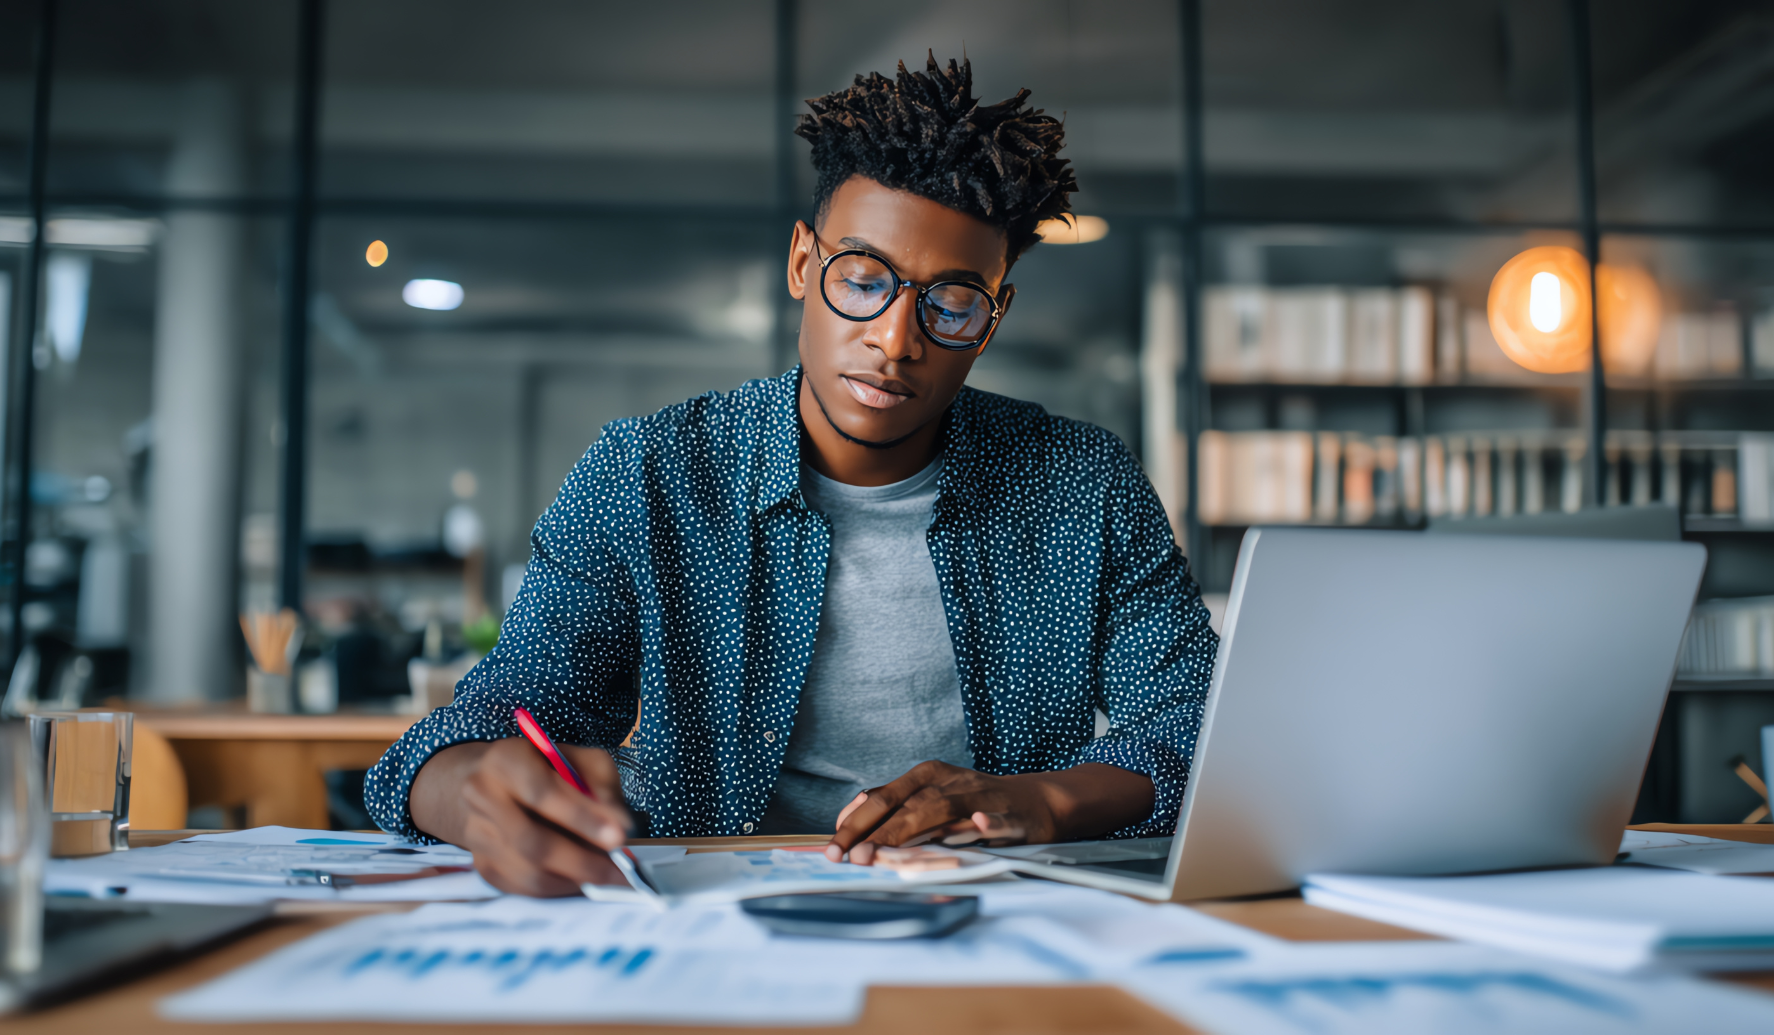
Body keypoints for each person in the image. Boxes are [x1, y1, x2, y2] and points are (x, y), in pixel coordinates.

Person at [364, 55, 1217, 896]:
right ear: (804, 264)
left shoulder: (1081, 483)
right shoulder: (649, 473)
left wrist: (1038, 800)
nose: (895, 339)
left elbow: (1202, 729)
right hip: (702, 923)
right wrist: (480, 797)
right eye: (863, 281)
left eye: (950, 303)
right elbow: (497, 715)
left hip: (993, 919)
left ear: (992, 318)